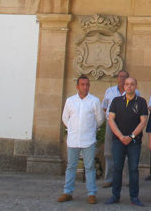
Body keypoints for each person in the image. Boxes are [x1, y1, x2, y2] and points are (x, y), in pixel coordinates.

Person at [57, 75, 104, 204]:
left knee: (89, 167)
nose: (85, 87)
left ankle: (91, 193)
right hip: (73, 139)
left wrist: (89, 129)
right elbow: (65, 118)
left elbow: (100, 119)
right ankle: (67, 192)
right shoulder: (70, 101)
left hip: (88, 139)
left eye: (87, 84)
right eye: (82, 84)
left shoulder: (94, 101)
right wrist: (73, 129)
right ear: (77, 86)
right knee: (71, 166)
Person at [106, 76, 148, 206]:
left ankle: (134, 197)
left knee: (133, 169)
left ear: (135, 86)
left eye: (132, 84)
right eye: (127, 84)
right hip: (118, 141)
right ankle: (115, 195)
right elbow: (111, 119)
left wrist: (131, 137)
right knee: (117, 168)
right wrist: (120, 136)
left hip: (134, 142)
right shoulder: (116, 101)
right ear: (124, 87)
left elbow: (143, 122)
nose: (129, 86)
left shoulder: (141, 102)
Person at [101, 70, 139, 188]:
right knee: (108, 151)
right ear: (117, 78)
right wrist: (111, 119)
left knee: (129, 152)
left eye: (125, 77)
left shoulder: (136, 93)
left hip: (127, 125)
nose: (122, 79)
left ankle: (127, 179)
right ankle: (109, 178)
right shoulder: (109, 91)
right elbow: (104, 108)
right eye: (120, 77)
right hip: (111, 124)